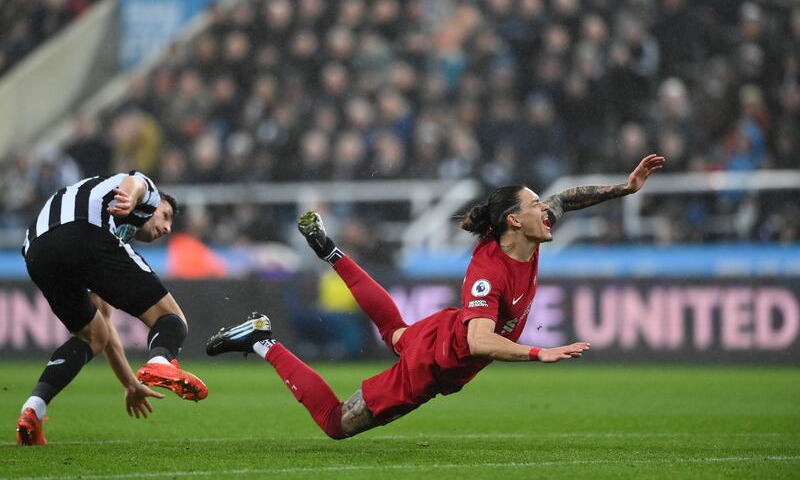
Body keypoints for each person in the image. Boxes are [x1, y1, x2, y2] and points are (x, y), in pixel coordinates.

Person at [206, 154, 665, 439]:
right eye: (535, 206)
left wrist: (625, 188)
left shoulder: (526, 234)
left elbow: (567, 198)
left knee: (396, 329)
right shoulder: (489, 274)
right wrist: (538, 353)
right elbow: (482, 340)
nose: (548, 210)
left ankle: (331, 252)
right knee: (334, 423)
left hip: (441, 333)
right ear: (513, 221)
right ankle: (262, 339)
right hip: (434, 365)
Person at [16, 171, 208, 445]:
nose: (166, 228)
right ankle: (161, 360)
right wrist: (130, 197)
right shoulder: (142, 198)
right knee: (170, 317)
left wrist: (130, 383)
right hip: (84, 232)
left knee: (92, 335)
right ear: (156, 205)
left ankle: (34, 409)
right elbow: (136, 180)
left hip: (36, 253)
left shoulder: (105, 219)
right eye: (166, 216)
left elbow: (105, 330)